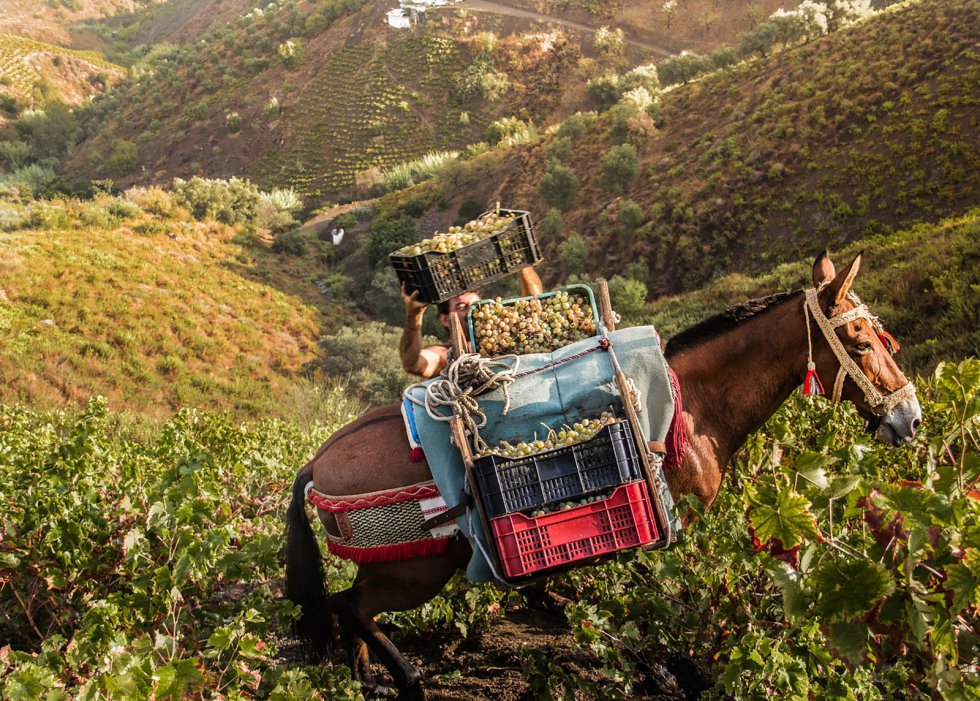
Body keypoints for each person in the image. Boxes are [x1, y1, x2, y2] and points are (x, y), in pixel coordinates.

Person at [400, 266, 543, 378]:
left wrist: (524, 268)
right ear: (445, 319)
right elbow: (413, 364)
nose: (472, 310)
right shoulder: (446, 355)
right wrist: (414, 316)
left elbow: (534, 307)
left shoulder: (506, 334)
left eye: (475, 305)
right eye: (462, 307)